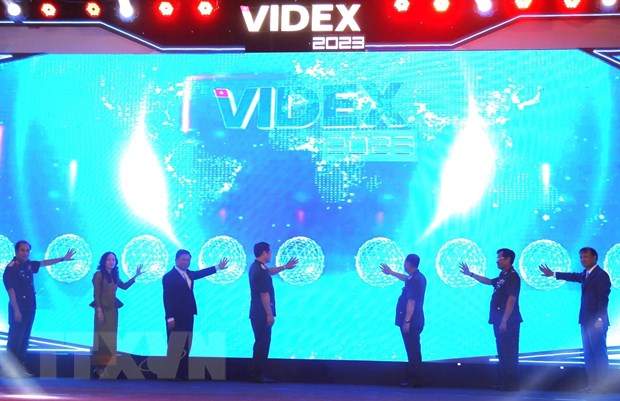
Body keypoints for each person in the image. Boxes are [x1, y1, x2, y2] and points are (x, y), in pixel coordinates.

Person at [539, 247, 611, 394]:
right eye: (581, 257)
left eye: (586, 257)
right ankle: (593, 385)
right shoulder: (585, 274)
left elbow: (603, 299)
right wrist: (553, 274)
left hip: (596, 322)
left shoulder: (601, 275)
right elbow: (573, 276)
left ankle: (603, 386)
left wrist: (599, 318)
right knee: (589, 354)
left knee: (598, 354)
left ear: (595, 257)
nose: (583, 259)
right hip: (585, 320)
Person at [2, 240, 75, 377]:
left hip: (30, 306)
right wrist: (16, 310)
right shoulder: (11, 268)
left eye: (27, 250)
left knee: (24, 338)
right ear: (16, 251)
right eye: (22, 250)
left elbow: (43, 263)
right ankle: (9, 370)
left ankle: (19, 367)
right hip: (19, 308)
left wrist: (62, 259)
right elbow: (11, 291)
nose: (25, 253)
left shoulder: (28, 265)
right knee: (15, 338)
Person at [460, 248, 522, 392]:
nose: (497, 261)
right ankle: (504, 382)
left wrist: (505, 320)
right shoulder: (503, 275)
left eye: (499, 258)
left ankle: (511, 383)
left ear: (508, 259)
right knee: (502, 352)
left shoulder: (513, 277)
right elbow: (489, 281)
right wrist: (471, 274)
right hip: (499, 319)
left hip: (509, 321)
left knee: (509, 353)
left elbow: (511, 299)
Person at [162, 249, 228, 380]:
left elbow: (200, 273)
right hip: (175, 316)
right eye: (183, 260)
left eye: (188, 260)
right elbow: (167, 298)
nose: (186, 262)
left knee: (186, 343)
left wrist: (217, 267)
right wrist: (169, 317)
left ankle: (182, 373)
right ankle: (172, 373)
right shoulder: (169, 276)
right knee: (175, 344)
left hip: (188, 314)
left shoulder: (189, 273)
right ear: (176, 260)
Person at [249, 242, 298, 383]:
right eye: (270, 251)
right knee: (262, 344)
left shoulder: (257, 267)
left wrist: (284, 267)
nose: (271, 254)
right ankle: (257, 375)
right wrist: (269, 315)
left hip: (257, 313)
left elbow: (269, 271)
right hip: (261, 314)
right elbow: (264, 294)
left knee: (261, 343)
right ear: (264, 252)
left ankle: (257, 373)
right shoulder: (259, 270)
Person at [91, 251, 143, 379]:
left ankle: (108, 368)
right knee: (101, 339)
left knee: (110, 339)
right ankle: (98, 368)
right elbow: (96, 294)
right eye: (109, 259)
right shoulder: (98, 275)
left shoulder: (115, 275)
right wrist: (99, 311)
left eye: (113, 260)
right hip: (102, 310)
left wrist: (136, 275)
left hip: (113, 310)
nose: (111, 262)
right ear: (104, 261)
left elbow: (124, 286)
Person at [380, 254, 426, 388]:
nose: (404, 265)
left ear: (408, 264)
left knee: (413, 351)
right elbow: (406, 279)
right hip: (416, 320)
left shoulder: (415, 280)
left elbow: (411, 302)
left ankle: (415, 380)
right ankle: (414, 378)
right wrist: (391, 272)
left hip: (412, 322)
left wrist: (407, 321)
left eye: (405, 263)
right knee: (413, 350)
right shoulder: (417, 277)